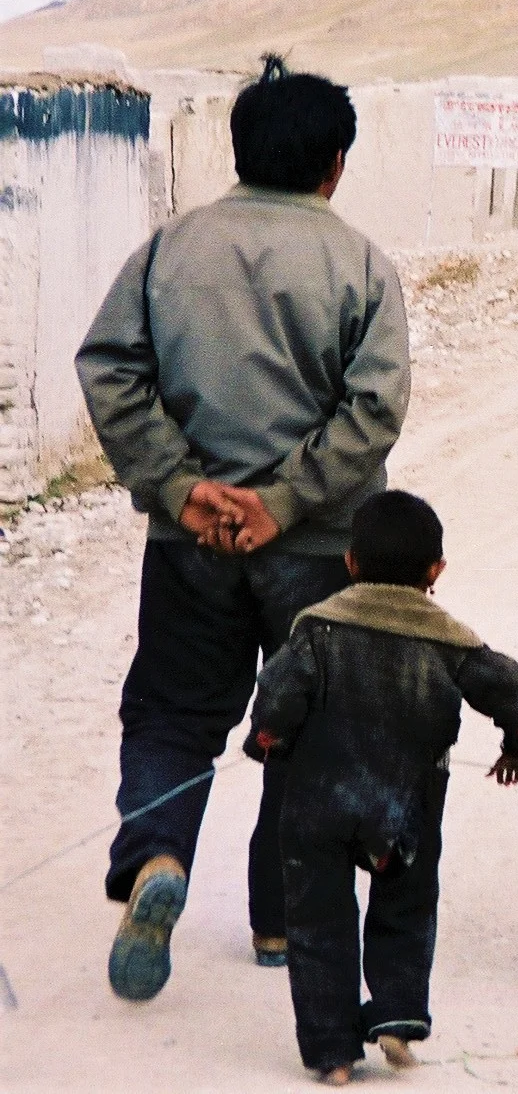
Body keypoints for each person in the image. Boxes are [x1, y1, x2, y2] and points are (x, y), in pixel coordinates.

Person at [76, 56, 410, 1002]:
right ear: (335, 162)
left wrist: (183, 489)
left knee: (176, 715)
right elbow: (375, 409)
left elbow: (110, 371)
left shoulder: (167, 251)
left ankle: (156, 862)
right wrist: (287, 499)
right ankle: (278, 918)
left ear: (238, 148)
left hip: (193, 545)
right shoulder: (359, 265)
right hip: (320, 547)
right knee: (307, 729)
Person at [245, 491, 518, 1084]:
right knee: (405, 907)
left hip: (317, 803)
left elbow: (278, 694)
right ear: (436, 571)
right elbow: (514, 692)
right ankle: (395, 1015)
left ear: (349, 562)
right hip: (405, 812)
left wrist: (269, 740)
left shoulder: (317, 628)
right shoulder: (449, 639)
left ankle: (332, 1053)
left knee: (318, 922)